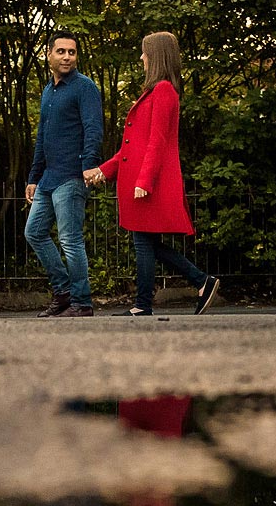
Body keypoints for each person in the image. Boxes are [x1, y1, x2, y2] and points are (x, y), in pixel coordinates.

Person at [86, 33, 220, 316]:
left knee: (143, 242)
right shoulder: (156, 91)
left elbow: (158, 141)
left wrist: (144, 182)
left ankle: (150, 301)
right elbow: (131, 148)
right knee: (147, 242)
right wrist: (103, 170)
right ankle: (195, 284)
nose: (141, 58)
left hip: (148, 183)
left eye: (144, 53)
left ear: (156, 56)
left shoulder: (163, 91)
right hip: (139, 181)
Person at [24, 33, 104, 318]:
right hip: (48, 177)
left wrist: (89, 164)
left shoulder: (84, 87)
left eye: (72, 52)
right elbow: (42, 136)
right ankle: (63, 294)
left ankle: (82, 303)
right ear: (49, 55)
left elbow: (94, 128)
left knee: (70, 240)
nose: (67, 56)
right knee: (33, 232)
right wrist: (34, 176)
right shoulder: (49, 91)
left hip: (72, 175)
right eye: (61, 51)